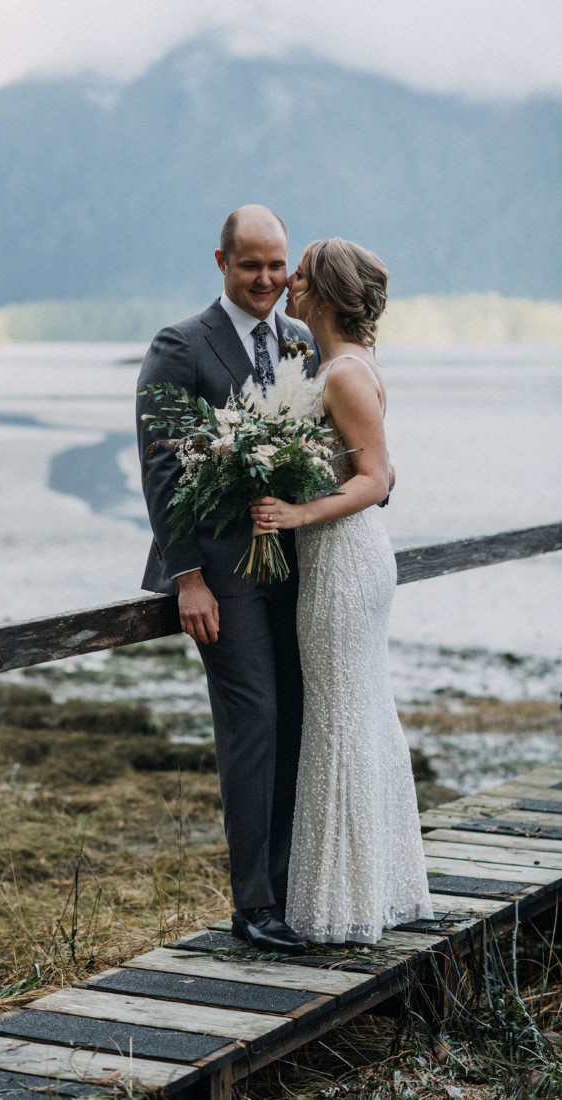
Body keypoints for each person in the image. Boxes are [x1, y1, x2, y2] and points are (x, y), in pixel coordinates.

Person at [136, 205, 317, 953]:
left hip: (297, 570)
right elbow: (161, 469)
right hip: (220, 578)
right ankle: (252, 908)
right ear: (220, 261)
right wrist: (186, 577)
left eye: (277, 266)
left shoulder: (301, 341)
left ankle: (287, 888)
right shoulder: (180, 345)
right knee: (253, 725)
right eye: (252, 266)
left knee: (297, 721)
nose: (267, 280)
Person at [250, 238, 433, 943]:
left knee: (337, 720)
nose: (287, 283)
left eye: (298, 275)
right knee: (353, 713)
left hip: (343, 561)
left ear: (323, 293)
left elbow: (375, 479)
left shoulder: (343, 376)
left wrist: (296, 513)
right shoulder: (332, 366)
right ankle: (370, 887)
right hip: (338, 562)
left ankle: (341, 904)